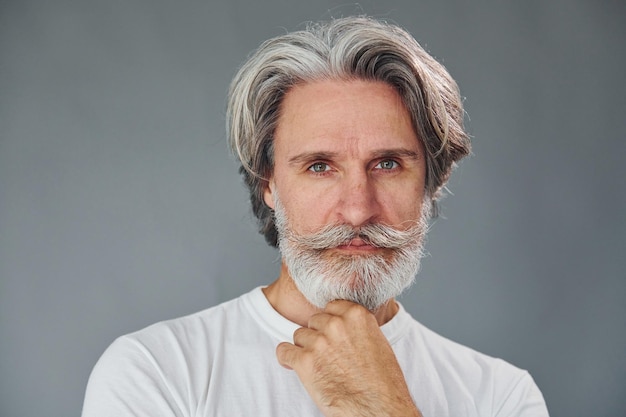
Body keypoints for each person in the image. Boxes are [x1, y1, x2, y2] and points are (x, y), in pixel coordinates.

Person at [82, 16, 549, 416]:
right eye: (319, 167)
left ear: (432, 180)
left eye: (388, 164)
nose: (358, 209)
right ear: (268, 183)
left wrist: (382, 406)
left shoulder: (501, 396)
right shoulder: (156, 371)